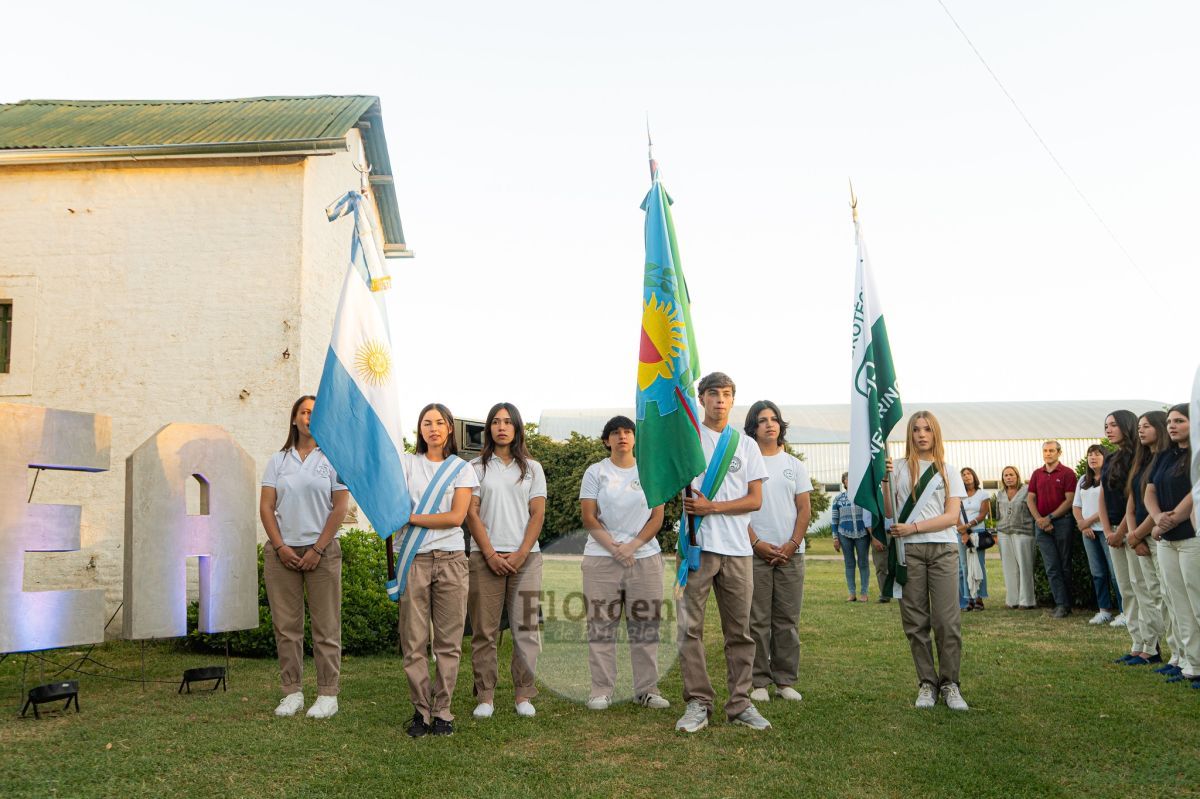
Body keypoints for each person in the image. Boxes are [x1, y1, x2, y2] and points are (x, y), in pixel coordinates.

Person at [675, 372, 771, 733]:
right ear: (700, 398)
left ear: (733, 400)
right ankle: (698, 702)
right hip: (697, 549)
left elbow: (755, 499)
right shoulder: (688, 440)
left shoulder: (745, 445)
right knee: (690, 629)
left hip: (737, 549)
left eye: (726, 394)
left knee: (740, 631)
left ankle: (740, 703)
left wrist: (712, 507)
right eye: (712, 393)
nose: (719, 400)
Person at [260, 395, 350, 719]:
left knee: (326, 627)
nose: (310, 417)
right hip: (281, 553)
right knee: (286, 627)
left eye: (316, 413)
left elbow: (340, 508)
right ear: (295, 419)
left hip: (321, 554)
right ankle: (292, 692)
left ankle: (328, 694)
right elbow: (266, 507)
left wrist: (317, 549)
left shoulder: (333, 459)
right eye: (305, 411)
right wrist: (281, 547)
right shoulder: (278, 460)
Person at [397, 403, 479, 737]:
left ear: (449, 430)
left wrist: (411, 517)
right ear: (420, 430)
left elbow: (456, 517)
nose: (433, 428)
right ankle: (421, 712)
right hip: (414, 559)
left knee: (448, 641)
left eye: (439, 422)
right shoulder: (406, 463)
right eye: (426, 423)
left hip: (451, 559)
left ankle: (443, 709)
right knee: (414, 642)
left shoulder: (462, 469)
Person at [578, 415, 669, 710]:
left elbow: (657, 517)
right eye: (615, 432)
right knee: (601, 626)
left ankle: (647, 690)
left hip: (644, 558)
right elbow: (589, 517)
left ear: (635, 438)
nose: (622, 436)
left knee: (645, 626)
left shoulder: (650, 471)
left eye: (628, 431)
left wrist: (632, 546)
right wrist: (615, 548)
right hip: (601, 559)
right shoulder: (596, 472)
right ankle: (601, 690)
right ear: (607, 440)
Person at [882, 411, 969, 711]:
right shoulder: (899, 468)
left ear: (935, 434)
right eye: (916, 429)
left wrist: (914, 527)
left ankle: (950, 684)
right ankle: (926, 683)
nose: (921, 435)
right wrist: (884, 480)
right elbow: (890, 510)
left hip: (943, 550)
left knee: (947, 621)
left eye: (927, 429)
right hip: (909, 552)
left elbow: (951, 516)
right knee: (915, 622)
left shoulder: (948, 470)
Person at [465, 402, 546, 719]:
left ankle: (523, 693)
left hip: (526, 558)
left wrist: (521, 553)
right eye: (496, 422)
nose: (501, 427)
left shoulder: (532, 468)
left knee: (525, 629)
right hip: (485, 558)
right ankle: (485, 695)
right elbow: (471, 512)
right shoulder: (475, 467)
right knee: (485, 630)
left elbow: (537, 513)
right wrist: (489, 553)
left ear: (516, 429)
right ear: (488, 428)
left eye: (508, 422)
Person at [745, 400, 811, 704]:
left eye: (774, 419)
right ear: (753, 428)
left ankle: (785, 680)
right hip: (755, 551)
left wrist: (792, 544)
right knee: (757, 620)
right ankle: (758, 680)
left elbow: (804, 509)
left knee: (787, 620)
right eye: (762, 420)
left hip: (790, 553)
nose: (769, 424)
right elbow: (739, 511)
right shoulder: (745, 462)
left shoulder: (794, 465)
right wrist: (757, 543)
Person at [1147, 404, 1199, 686]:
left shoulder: (1198, 454)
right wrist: (1157, 518)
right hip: (1167, 539)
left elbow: (1196, 492)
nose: (1172, 426)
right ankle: (1191, 664)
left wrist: (1173, 518)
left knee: (1197, 601)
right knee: (1178, 604)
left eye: (1179, 420)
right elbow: (1150, 491)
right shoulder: (1166, 456)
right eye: (1169, 421)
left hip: (1192, 536)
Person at [1121, 411, 1170, 667]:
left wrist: (1138, 533)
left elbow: (1158, 505)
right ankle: (1149, 647)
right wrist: (1133, 535)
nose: (1141, 431)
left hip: (1153, 534)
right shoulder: (1141, 462)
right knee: (1147, 592)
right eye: (1139, 427)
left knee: (1164, 594)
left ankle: (1180, 653)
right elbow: (1132, 504)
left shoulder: (1164, 461)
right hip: (1138, 536)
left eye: (1147, 426)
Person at [1098, 411, 1139, 643]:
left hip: (1131, 528)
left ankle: (1150, 645)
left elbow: (1133, 498)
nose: (1108, 429)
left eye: (1114, 425)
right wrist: (1107, 531)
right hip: (1112, 530)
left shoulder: (1138, 457)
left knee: (1140, 586)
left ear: (1127, 425)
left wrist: (1121, 531)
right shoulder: (1111, 458)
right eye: (1106, 425)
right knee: (1125, 588)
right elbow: (1102, 496)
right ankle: (1137, 643)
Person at [1026, 441, 1077, 618]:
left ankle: (1067, 604)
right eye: (1045, 451)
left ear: (1059, 452)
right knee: (1051, 567)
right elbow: (1030, 499)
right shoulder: (1036, 474)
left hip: (1062, 522)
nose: (1048, 454)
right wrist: (1040, 520)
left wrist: (1050, 518)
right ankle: (1060, 605)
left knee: (1065, 565)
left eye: (1051, 451)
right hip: (1041, 525)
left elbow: (1069, 500)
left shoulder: (1068, 473)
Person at [1073, 444, 1121, 625]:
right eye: (1090, 455)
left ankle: (1124, 611)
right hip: (1088, 533)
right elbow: (1076, 506)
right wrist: (1082, 525)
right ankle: (1104, 610)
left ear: (1105, 457)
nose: (1093, 458)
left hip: (1107, 530)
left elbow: (1107, 505)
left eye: (1097, 454)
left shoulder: (1110, 478)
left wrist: (1088, 521)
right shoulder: (1083, 480)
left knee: (1116, 573)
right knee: (1097, 573)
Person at [995, 466, 1036, 609]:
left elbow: (1033, 510)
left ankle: (1027, 601)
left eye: (1011, 475)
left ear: (1017, 476)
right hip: (1004, 532)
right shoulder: (1000, 494)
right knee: (1009, 567)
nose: (1008, 478)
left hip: (1023, 531)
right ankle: (1012, 600)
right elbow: (997, 514)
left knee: (1025, 566)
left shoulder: (1027, 491)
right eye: (1005, 475)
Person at [831, 471, 871, 602]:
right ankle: (852, 593)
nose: (850, 481)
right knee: (849, 563)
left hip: (862, 534)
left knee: (863, 562)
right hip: (844, 534)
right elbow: (834, 520)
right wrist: (835, 538)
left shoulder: (863, 497)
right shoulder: (838, 499)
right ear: (844, 483)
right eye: (847, 479)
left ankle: (864, 593)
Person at [956, 467, 990, 611]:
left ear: (974, 476)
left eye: (969, 474)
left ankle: (979, 598)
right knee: (964, 567)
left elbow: (983, 514)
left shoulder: (983, 494)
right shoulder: (958, 496)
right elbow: (955, 515)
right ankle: (967, 599)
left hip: (978, 532)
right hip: (961, 533)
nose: (966, 476)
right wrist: (962, 531)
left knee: (978, 565)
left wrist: (968, 526)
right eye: (963, 475)